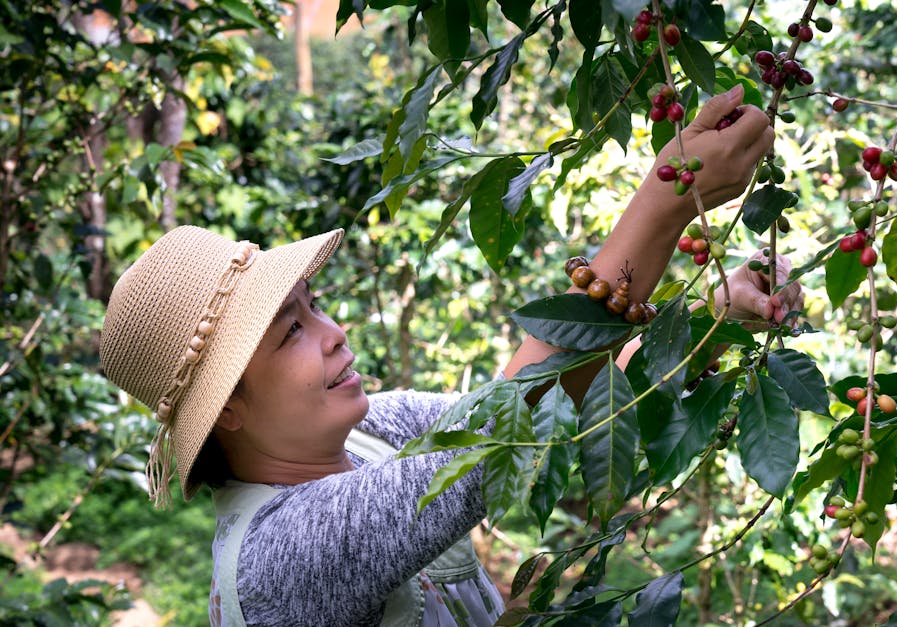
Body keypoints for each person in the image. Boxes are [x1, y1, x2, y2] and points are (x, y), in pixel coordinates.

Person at [98, 85, 803, 626]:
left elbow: (554, 400)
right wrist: (665, 199)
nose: (333, 331)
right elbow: (496, 434)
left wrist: (706, 317)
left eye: (313, 306)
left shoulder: (377, 429)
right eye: (290, 331)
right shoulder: (280, 557)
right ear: (228, 409)